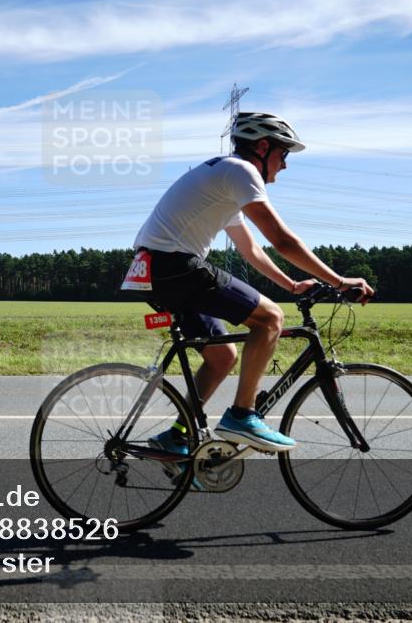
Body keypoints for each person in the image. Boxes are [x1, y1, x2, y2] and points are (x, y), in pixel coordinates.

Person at [123, 111, 374, 454]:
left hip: (153, 269)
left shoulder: (223, 177)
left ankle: (177, 437)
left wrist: (291, 285)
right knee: (270, 318)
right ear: (262, 147)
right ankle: (242, 415)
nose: (284, 165)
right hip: (174, 265)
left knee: (222, 356)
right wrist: (340, 281)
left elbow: (250, 249)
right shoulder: (241, 171)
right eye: (283, 153)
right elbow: (282, 240)